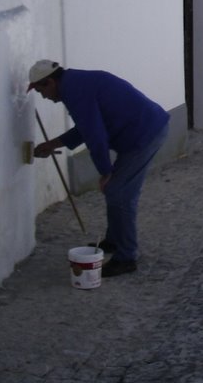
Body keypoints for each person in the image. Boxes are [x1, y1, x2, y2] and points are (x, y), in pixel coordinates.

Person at [28, 59, 170, 278]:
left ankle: (126, 257)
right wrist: (52, 144)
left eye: (40, 90)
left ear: (50, 82)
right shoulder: (75, 84)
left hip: (145, 133)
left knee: (119, 193)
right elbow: (87, 128)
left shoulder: (76, 91)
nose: (43, 96)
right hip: (140, 130)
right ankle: (114, 241)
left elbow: (95, 136)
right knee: (117, 191)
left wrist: (105, 172)